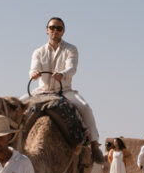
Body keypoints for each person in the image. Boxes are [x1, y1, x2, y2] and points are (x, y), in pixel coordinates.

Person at [26, 17, 103, 163]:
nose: (55, 31)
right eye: (52, 27)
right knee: (17, 106)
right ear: (47, 30)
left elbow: (71, 67)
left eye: (59, 28)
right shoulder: (38, 51)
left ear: (63, 31)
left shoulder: (71, 49)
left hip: (64, 91)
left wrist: (63, 74)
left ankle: (94, 146)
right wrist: (34, 74)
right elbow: (33, 68)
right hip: (42, 92)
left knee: (85, 108)